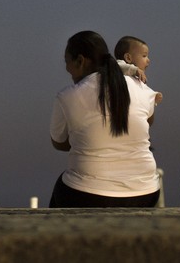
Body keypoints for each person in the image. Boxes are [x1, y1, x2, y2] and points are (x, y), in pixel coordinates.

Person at [49, 30, 161, 207]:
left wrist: (88, 136)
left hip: (87, 194)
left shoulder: (67, 97)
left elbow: (59, 143)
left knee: (61, 186)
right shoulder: (140, 87)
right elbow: (149, 121)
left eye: (67, 62)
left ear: (80, 61)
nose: (66, 68)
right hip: (146, 193)